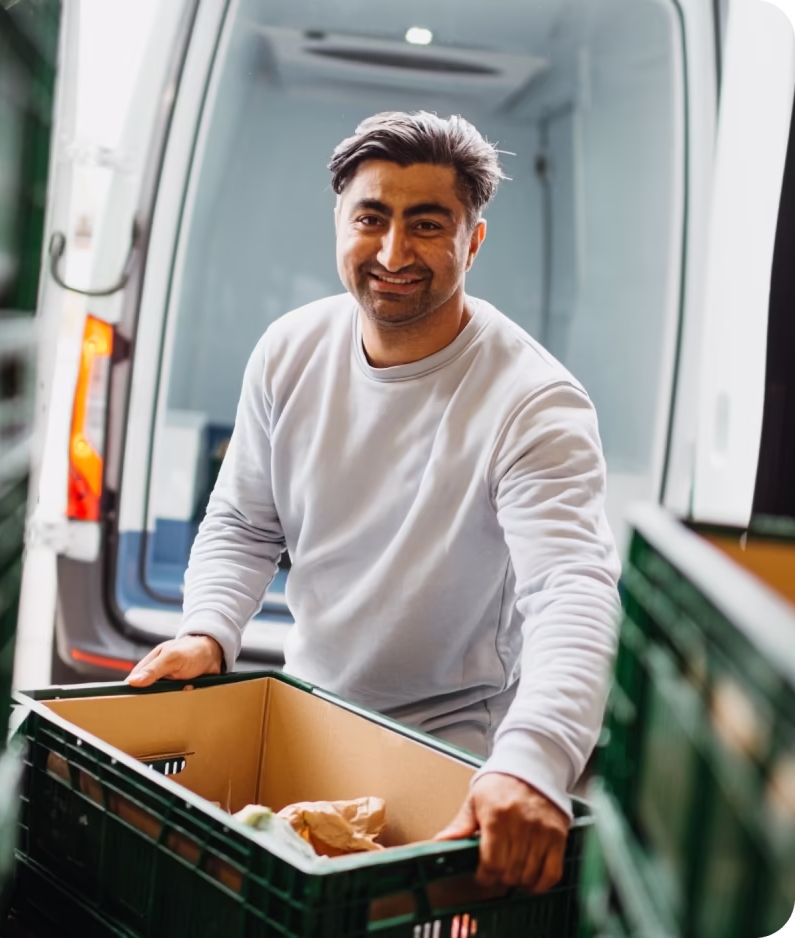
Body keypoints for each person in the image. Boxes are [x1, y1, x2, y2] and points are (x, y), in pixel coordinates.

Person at [128, 111, 621, 894]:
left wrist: (534, 763)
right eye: (372, 219)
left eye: (428, 225)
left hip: (452, 752)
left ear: (474, 241)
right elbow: (244, 524)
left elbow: (573, 590)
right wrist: (208, 631)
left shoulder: (534, 403)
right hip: (310, 714)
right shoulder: (289, 352)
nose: (393, 254)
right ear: (340, 224)